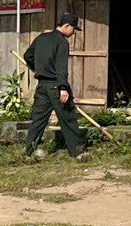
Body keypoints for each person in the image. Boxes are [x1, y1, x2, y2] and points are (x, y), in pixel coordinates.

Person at [23, 13, 86, 160]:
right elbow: (61, 67)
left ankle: (28, 153)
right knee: (68, 119)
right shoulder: (62, 42)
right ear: (67, 26)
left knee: (38, 121)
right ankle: (77, 152)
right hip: (56, 86)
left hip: (42, 87)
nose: (73, 32)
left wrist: (36, 68)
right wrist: (63, 87)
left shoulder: (41, 38)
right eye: (73, 29)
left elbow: (27, 56)